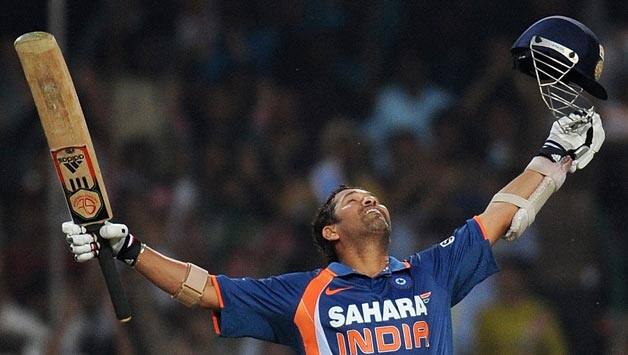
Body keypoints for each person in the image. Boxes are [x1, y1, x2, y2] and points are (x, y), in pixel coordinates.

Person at [63, 16, 607, 355]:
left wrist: (555, 155)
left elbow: (501, 215)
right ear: (329, 230)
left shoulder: (432, 270)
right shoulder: (304, 294)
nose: (369, 196)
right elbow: (202, 288)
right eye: (351, 198)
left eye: (369, 194)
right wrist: (130, 248)